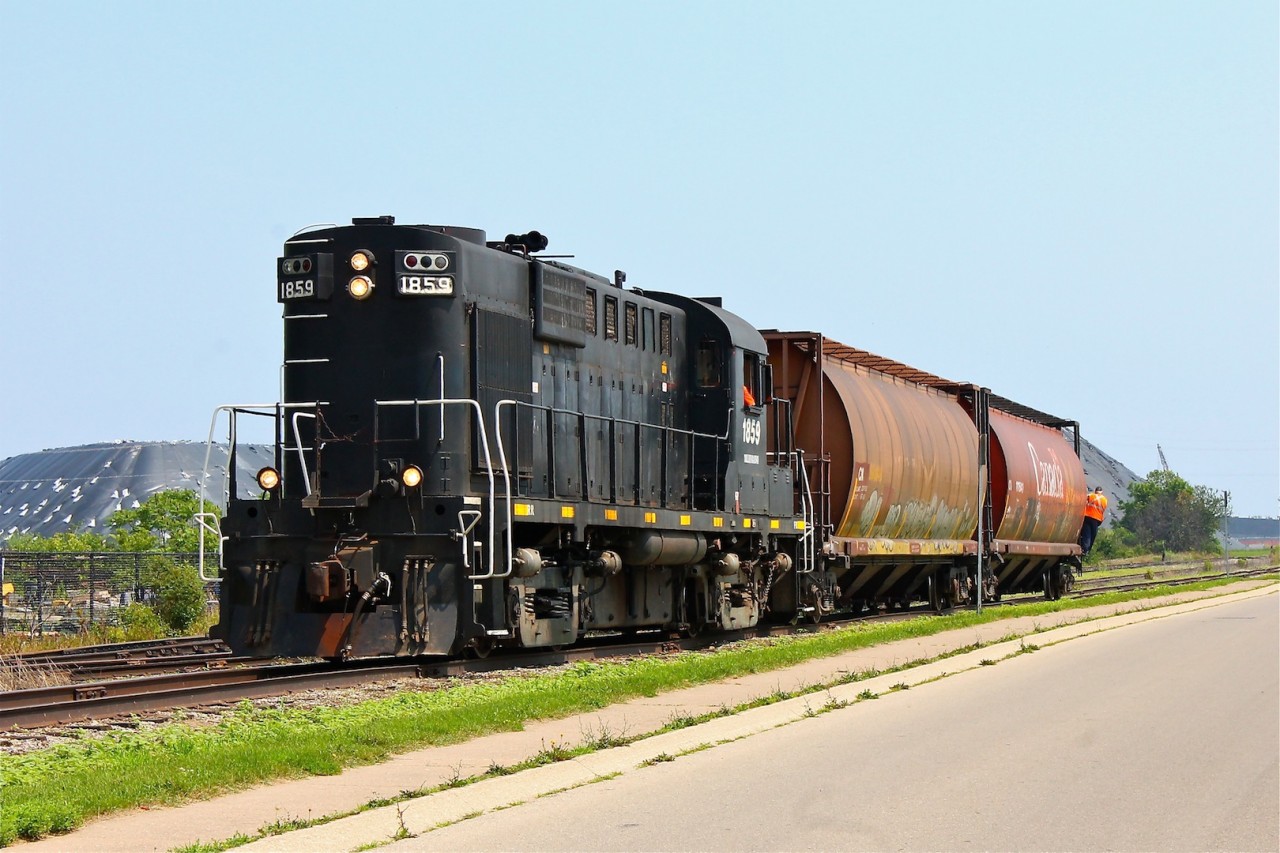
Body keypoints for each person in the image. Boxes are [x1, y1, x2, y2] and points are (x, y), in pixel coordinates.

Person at [1078, 486, 1108, 555]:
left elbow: (1083, 500)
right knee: (1093, 535)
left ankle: (1084, 549)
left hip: (1087, 517)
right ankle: (1088, 550)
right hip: (1097, 519)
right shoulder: (1105, 500)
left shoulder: (1090, 495)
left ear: (1095, 491)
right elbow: (1103, 510)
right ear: (1102, 492)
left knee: (1086, 534)